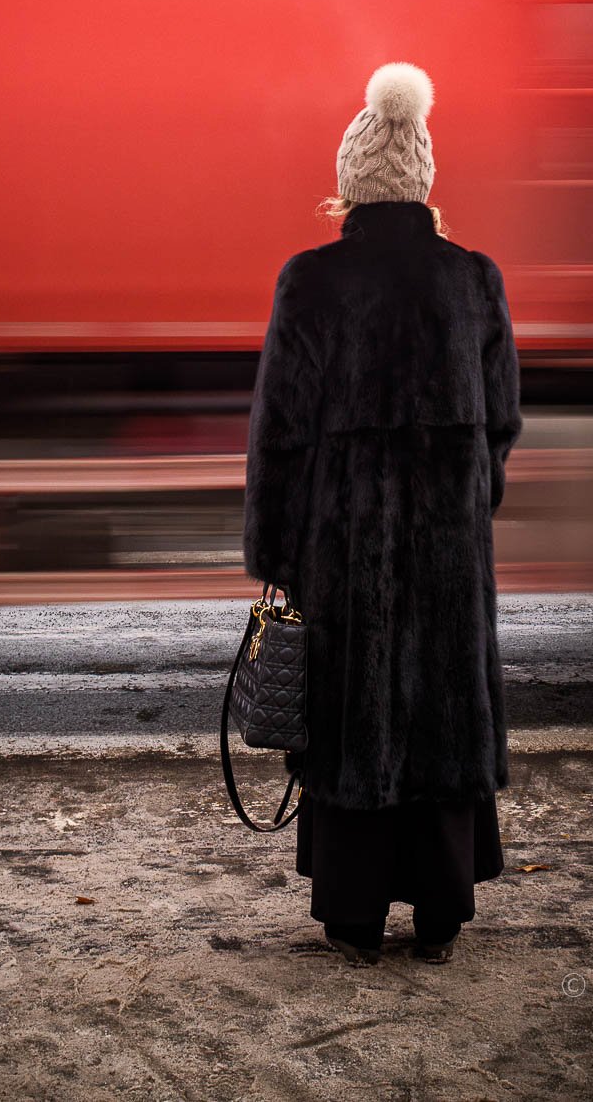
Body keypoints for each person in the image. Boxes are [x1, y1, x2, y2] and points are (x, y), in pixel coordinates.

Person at [241, 61, 522, 966]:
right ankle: (439, 910)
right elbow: (502, 422)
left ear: (349, 185)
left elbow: (278, 431)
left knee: (351, 705)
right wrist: (468, 506)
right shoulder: (474, 279)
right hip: (447, 542)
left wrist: (276, 550)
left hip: (341, 539)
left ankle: (355, 913)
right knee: (442, 703)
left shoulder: (310, 281)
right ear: (424, 181)